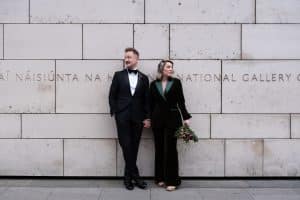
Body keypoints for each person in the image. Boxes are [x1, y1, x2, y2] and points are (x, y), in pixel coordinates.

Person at [109, 47, 151, 190]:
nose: (126, 59)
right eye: (125, 57)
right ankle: (136, 177)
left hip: (138, 118)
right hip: (122, 116)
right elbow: (112, 95)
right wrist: (115, 111)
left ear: (136, 59)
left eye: (129, 57)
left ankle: (128, 178)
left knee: (134, 147)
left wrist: (147, 117)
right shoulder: (118, 75)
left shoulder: (144, 78)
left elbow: (147, 100)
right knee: (126, 145)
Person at [149, 60, 192, 191]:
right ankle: (160, 178)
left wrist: (185, 117)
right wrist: (148, 118)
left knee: (171, 150)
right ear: (161, 69)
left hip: (173, 119)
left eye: (171, 67)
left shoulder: (176, 82)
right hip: (157, 119)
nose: (170, 68)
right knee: (159, 148)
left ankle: (172, 180)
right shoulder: (153, 84)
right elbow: (150, 104)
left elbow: (181, 101)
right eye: (168, 66)